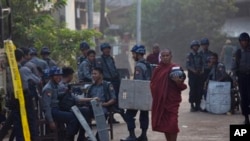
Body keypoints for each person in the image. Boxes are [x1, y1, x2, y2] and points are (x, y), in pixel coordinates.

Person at [150, 49, 187, 141]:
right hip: (161, 101)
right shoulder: (158, 69)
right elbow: (153, 84)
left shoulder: (176, 68)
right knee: (165, 125)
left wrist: (178, 83)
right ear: (161, 57)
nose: (165, 57)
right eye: (163, 56)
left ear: (171, 56)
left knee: (172, 124)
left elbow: (182, 86)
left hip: (172, 102)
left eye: (167, 55)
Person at [121, 45, 151, 141]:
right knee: (144, 114)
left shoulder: (138, 65)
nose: (133, 56)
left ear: (138, 54)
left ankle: (132, 135)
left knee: (129, 114)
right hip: (147, 94)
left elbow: (138, 83)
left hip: (139, 95)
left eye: (134, 54)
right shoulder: (147, 64)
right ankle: (143, 135)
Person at [41, 66, 79, 141]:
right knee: (73, 118)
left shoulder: (56, 86)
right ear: (51, 76)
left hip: (57, 108)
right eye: (56, 75)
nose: (59, 77)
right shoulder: (48, 88)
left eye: (60, 75)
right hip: (53, 111)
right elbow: (46, 106)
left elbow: (57, 96)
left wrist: (66, 92)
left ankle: (66, 136)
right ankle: (67, 138)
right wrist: (51, 121)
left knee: (77, 114)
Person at [12, 49, 41, 141]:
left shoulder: (9, 70)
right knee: (31, 119)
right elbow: (37, 80)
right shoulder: (24, 69)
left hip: (13, 97)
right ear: (22, 57)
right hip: (25, 97)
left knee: (18, 121)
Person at [96, 43, 123, 123]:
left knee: (115, 98)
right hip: (107, 80)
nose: (107, 50)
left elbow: (114, 69)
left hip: (114, 80)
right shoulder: (99, 59)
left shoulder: (111, 58)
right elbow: (99, 71)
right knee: (109, 98)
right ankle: (108, 116)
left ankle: (112, 117)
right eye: (105, 49)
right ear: (102, 50)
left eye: (108, 49)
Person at [231, 32, 250, 124]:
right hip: (242, 77)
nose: (244, 43)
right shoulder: (238, 53)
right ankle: (246, 118)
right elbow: (234, 68)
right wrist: (234, 79)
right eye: (242, 41)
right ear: (240, 42)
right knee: (244, 98)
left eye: (246, 41)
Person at [186, 40, 204, 112]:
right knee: (192, 90)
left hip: (199, 75)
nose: (196, 47)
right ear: (192, 47)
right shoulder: (189, 55)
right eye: (194, 46)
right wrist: (193, 71)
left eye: (197, 46)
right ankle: (192, 105)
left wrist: (202, 70)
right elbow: (188, 65)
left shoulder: (200, 55)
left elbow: (202, 64)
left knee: (199, 90)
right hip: (192, 75)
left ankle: (198, 104)